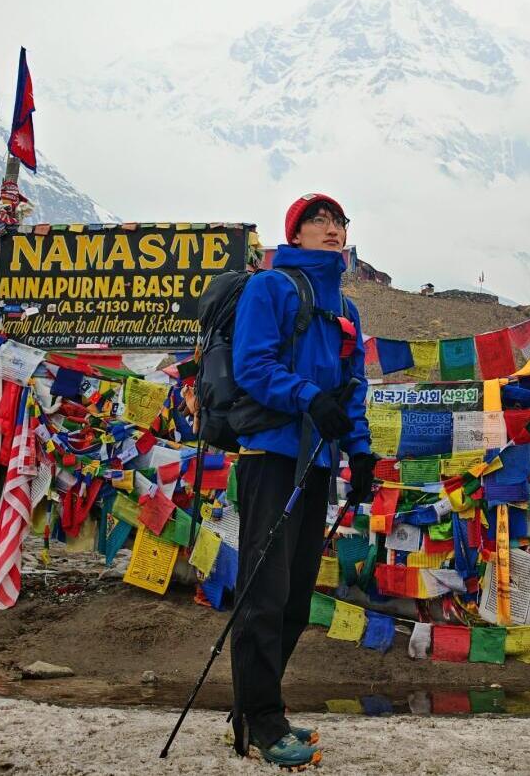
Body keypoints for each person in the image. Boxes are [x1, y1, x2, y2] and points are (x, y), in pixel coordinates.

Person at [229, 192, 376, 769]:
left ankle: (255, 711)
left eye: (338, 220)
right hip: (270, 455)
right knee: (263, 595)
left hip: (317, 461)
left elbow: (354, 386)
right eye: (318, 221)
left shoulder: (348, 308)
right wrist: (309, 398)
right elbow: (254, 367)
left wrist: (360, 453)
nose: (331, 228)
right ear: (295, 233)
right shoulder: (270, 288)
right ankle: (262, 721)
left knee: (293, 598)